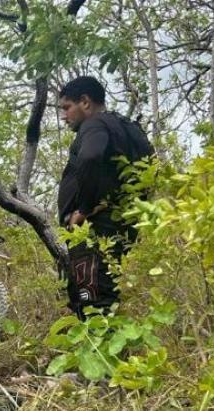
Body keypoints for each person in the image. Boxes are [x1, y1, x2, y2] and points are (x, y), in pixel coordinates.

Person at [57, 76, 154, 317]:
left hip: (95, 229)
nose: (63, 115)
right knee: (104, 291)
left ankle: (99, 350)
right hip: (120, 225)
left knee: (90, 298)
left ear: (85, 103)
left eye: (67, 107)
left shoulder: (95, 124)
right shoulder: (129, 127)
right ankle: (109, 348)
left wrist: (84, 210)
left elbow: (90, 157)